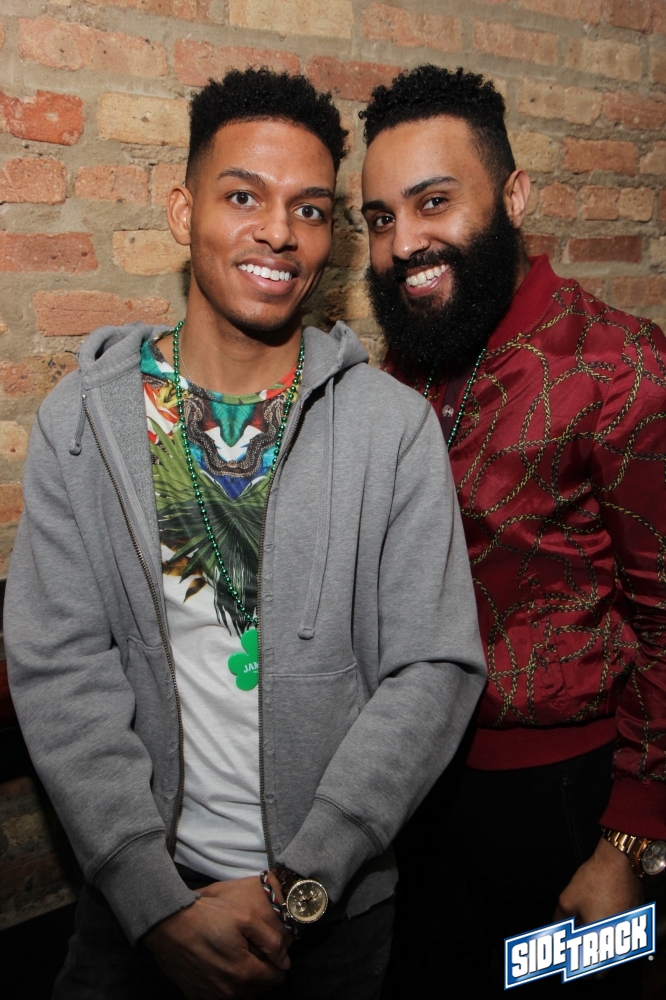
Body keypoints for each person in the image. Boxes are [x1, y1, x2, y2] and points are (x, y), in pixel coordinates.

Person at [4, 68, 486, 1000]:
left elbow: (434, 668)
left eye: (309, 209)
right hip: (136, 907)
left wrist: (302, 881)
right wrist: (153, 903)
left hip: (333, 912)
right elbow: (59, 669)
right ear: (184, 213)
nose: (278, 232)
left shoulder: (390, 428)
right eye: (242, 197)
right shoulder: (86, 421)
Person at [359, 65, 666, 998]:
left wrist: (629, 842)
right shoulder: (408, 364)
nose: (404, 244)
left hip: (574, 805)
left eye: (434, 203)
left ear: (515, 196)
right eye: (379, 218)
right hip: (422, 793)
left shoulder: (622, 368)